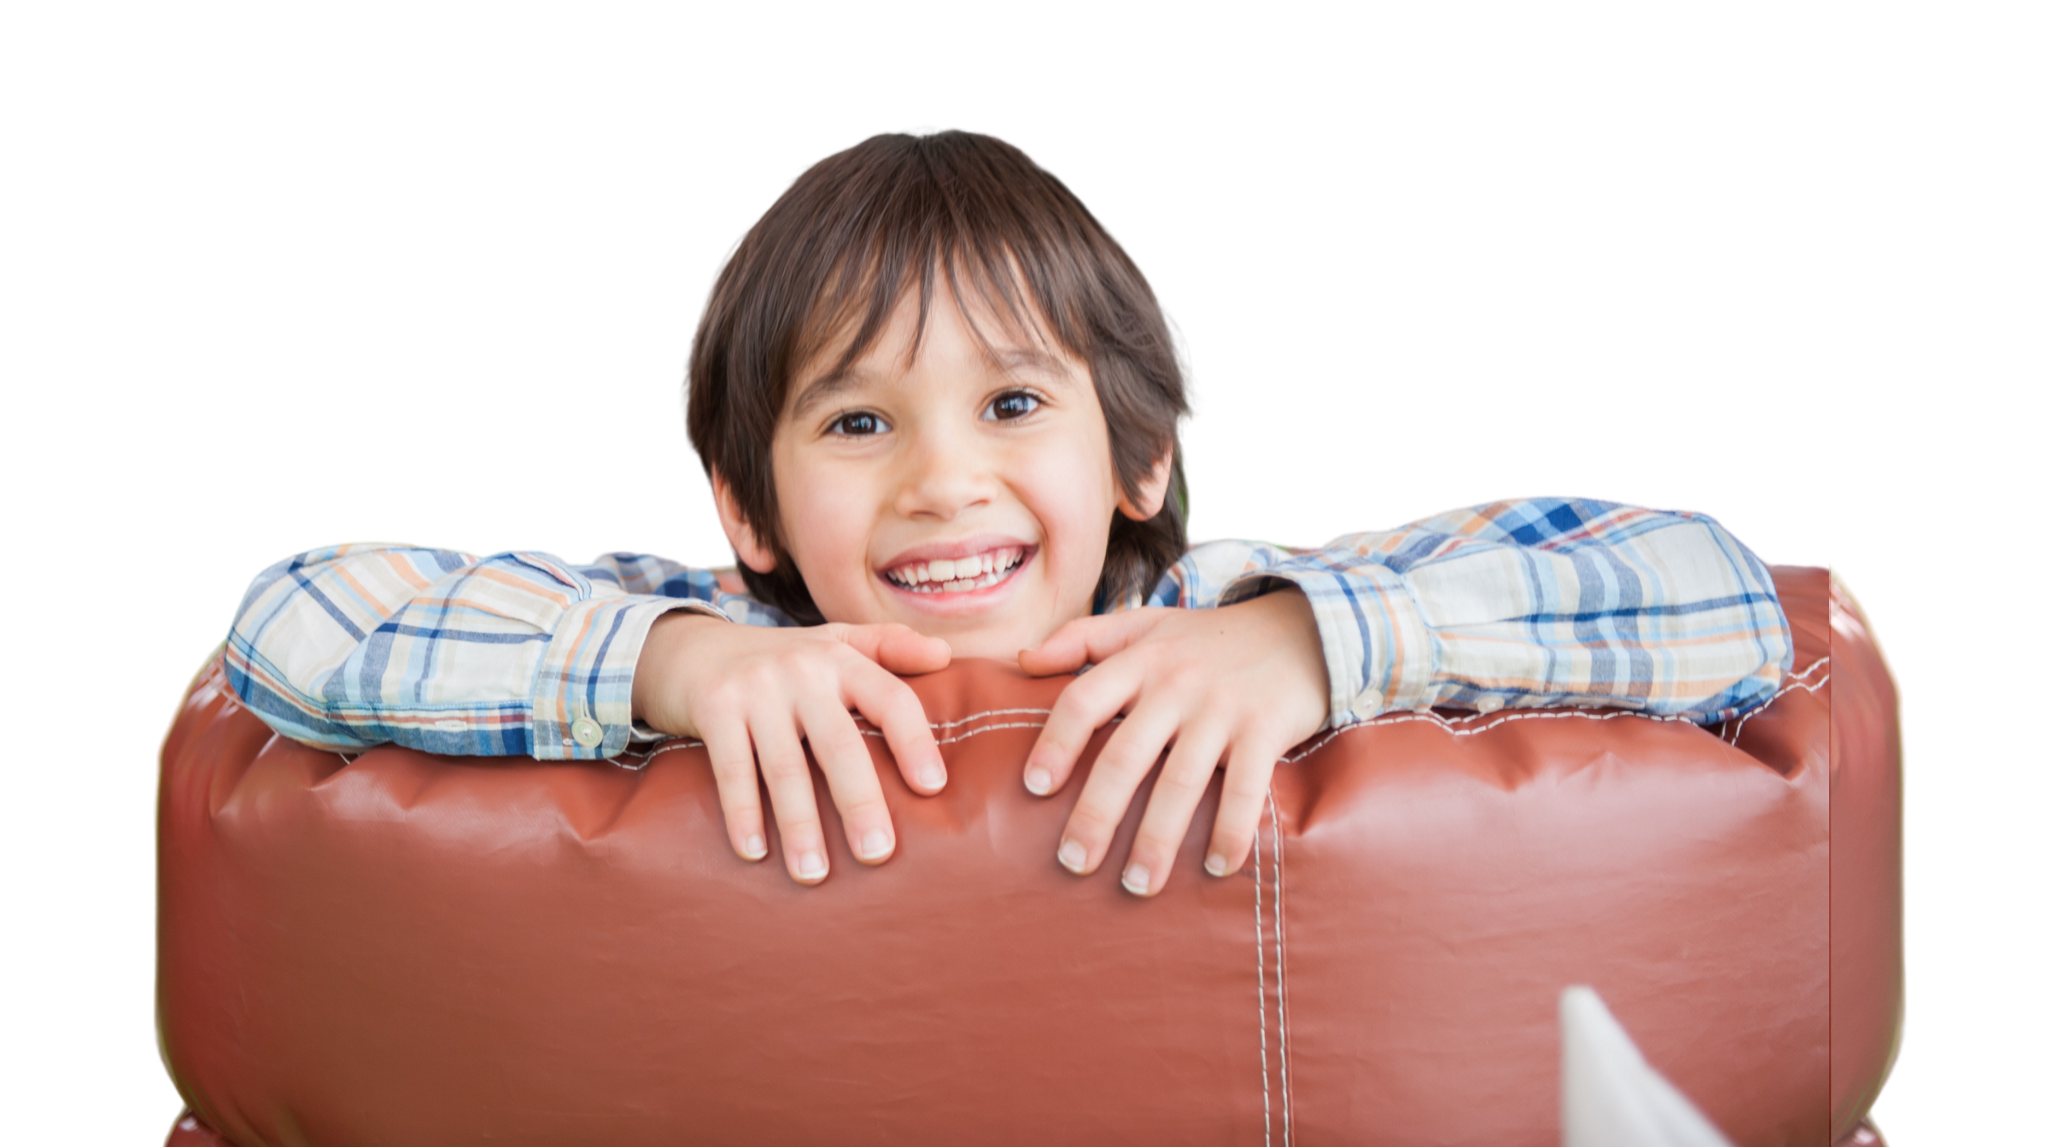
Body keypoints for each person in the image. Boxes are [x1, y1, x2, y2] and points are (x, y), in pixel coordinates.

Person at [225, 131, 1791, 898]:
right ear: (749, 506)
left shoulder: (1244, 615)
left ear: (1143, 458)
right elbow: (298, 618)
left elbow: (1725, 602)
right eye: (855, 422)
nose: (942, 479)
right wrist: (683, 671)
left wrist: (1310, 649)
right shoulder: (719, 634)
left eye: (1016, 404)